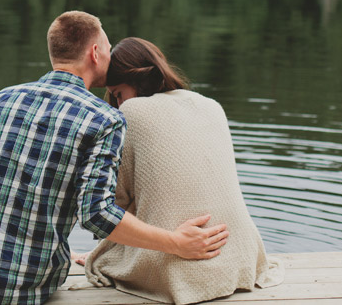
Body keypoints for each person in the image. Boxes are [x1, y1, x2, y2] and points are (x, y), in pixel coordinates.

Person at [0, 12, 229, 305]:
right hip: (27, 288)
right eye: (110, 50)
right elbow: (97, 214)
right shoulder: (105, 120)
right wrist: (176, 243)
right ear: (95, 53)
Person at [81, 37, 283, 304]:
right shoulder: (210, 105)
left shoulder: (132, 112)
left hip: (183, 270)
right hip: (240, 260)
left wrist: (105, 249)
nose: (117, 104)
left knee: (107, 254)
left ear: (136, 78)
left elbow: (114, 203)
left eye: (118, 93)